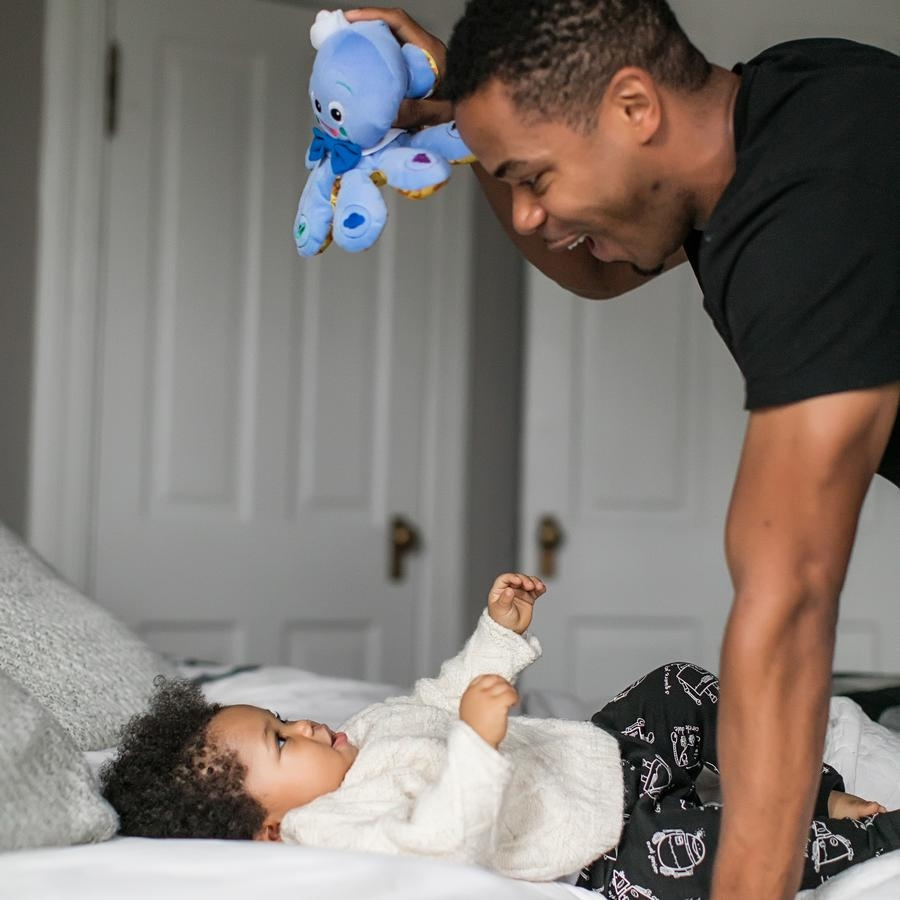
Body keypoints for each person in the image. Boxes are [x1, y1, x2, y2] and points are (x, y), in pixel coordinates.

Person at [342, 3, 900, 897]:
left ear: (635, 106)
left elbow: (791, 594)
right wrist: (460, 118)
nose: (527, 217)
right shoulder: (775, 105)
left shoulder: (810, 215)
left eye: (533, 177)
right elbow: (600, 270)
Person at [101, 573, 900, 896]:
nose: (303, 724)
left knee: (678, 687)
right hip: (601, 846)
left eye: (281, 719)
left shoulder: (362, 734)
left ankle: (816, 789)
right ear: (271, 830)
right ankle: (867, 838)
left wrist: (498, 632)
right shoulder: (336, 828)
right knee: (723, 856)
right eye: (281, 743)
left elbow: (445, 695)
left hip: (598, 761)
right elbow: (448, 841)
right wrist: (475, 746)